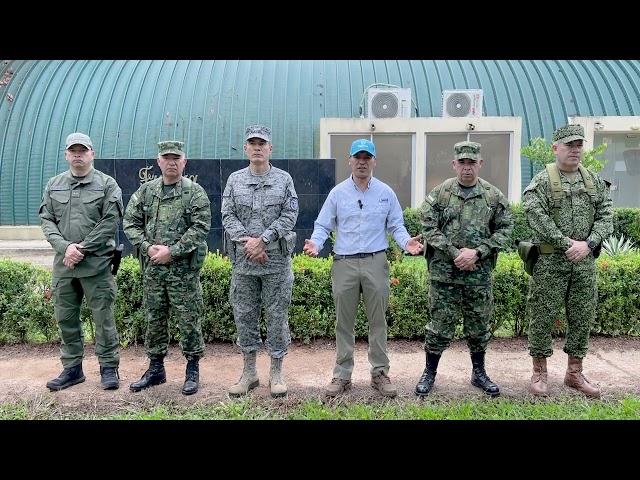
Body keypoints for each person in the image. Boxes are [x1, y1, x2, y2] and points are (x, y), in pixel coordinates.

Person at [303, 138, 423, 398]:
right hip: (344, 263)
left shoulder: (386, 193)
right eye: (357, 157)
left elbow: (396, 227)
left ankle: (379, 372)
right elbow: (323, 225)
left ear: (374, 162)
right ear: (350, 161)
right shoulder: (338, 193)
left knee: (377, 321)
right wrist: (315, 242)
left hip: (375, 262)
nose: (362, 162)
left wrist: (407, 242)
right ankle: (342, 374)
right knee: (343, 323)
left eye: (367, 157)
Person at [415, 141, 513, 398]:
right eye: (462, 162)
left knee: (479, 326)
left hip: (478, 274)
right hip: (444, 274)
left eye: (472, 162)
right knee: (439, 325)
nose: (467, 168)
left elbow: (506, 229)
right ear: (454, 164)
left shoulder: (493, 196)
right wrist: (454, 252)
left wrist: (478, 252)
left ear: (480, 164)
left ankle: (479, 373)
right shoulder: (440, 194)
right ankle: (429, 373)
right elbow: (427, 226)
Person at [523, 124, 612, 398]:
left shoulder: (594, 181)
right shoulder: (542, 181)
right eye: (569, 145)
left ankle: (574, 373)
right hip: (551, 262)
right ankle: (540, 372)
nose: (575, 150)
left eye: (578, 145)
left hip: (584, 262)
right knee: (542, 316)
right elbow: (535, 214)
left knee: (582, 316)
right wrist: (566, 243)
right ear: (555, 148)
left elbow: (607, 214)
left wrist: (589, 243)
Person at [123, 140, 211, 395]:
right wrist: (148, 247)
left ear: (184, 162)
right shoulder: (146, 192)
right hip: (153, 269)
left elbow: (200, 227)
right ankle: (155, 369)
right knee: (155, 319)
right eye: (166, 158)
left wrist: (172, 252)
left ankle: (192, 369)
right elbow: (130, 222)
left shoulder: (195, 193)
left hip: (183, 271)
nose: (171, 162)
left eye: (176, 158)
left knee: (189, 319)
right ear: (158, 161)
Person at [39, 132, 123, 391]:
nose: (78, 155)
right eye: (73, 151)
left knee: (103, 319)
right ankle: (72, 369)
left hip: (96, 265)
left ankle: (109, 368)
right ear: (66, 154)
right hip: (64, 266)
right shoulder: (54, 185)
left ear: (91, 154)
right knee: (65, 318)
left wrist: (82, 249)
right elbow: (46, 220)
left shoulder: (107, 185)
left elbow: (110, 221)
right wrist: (66, 247)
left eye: (82, 150)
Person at [222, 125, 299, 398]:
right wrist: (249, 243)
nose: (257, 147)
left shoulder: (284, 179)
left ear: (270, 148)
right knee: (245, 316)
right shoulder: (234, 180)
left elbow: (290, 215)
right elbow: (227, 216)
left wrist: (263, 241)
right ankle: (249, 372)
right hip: (244, 263)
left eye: (262, 143)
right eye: (252, 143)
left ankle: (276, 372)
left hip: (276, 262)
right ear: (245, 148)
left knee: (277, 317)